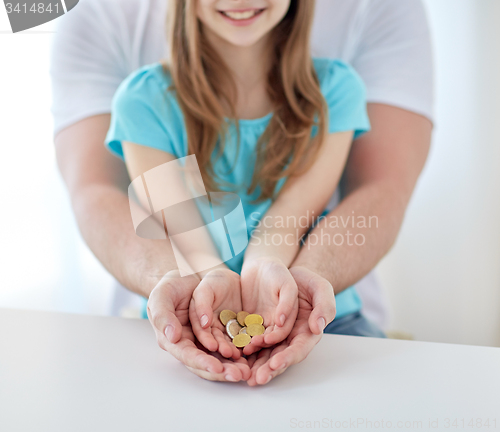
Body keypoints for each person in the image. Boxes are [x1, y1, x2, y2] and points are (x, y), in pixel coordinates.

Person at [50, 0, 434, 385]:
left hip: (317, 312)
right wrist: (211, 279)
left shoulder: (336, 90)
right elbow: (182, 229)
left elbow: (292, 213)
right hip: (188, 310)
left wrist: (266, 268)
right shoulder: (142, 101)